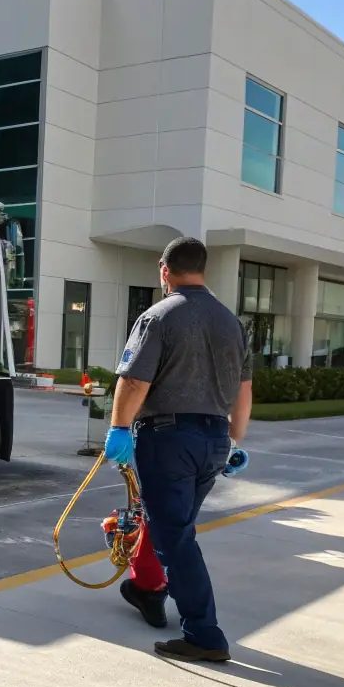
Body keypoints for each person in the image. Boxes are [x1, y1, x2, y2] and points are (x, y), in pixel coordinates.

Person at [103, 237, 252, 662]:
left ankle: (204, 633)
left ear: (164, 270)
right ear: (202, 270)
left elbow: (133, 381)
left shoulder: (158, 316)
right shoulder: (231, 323)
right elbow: (244, 391)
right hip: (214, 440)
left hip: (169, 438)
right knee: (176, 529)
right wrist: (235, 442)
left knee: (175, 540)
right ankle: (148, 589)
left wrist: (117, 429)